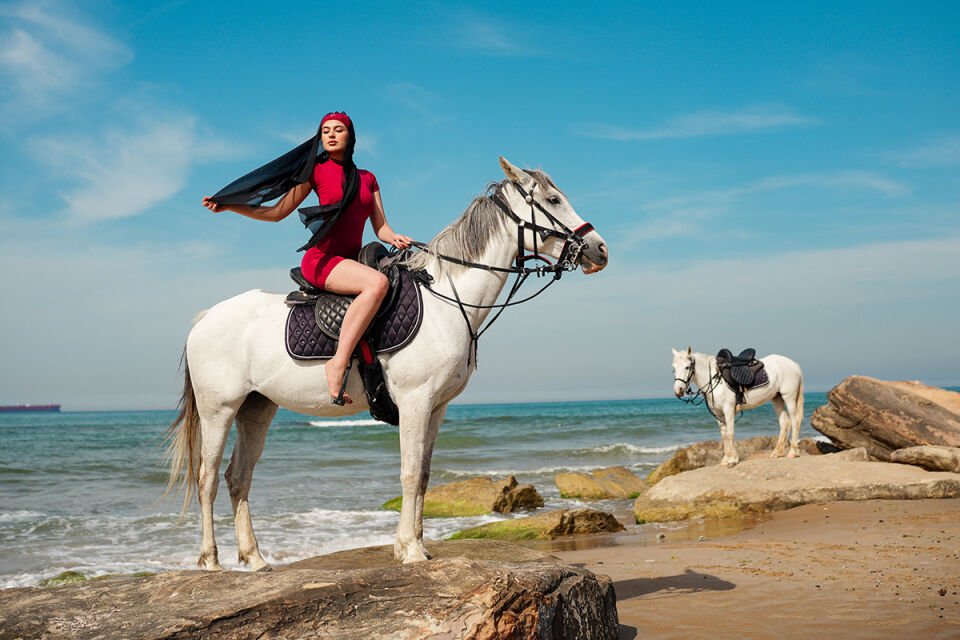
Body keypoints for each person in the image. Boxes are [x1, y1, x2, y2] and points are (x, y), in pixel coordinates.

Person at [202, 112, 412, 405]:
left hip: (352, 262)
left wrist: (396, 237)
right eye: (325, 131)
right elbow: (276, 212)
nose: (331, 135)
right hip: (322, 260)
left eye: (338, 130)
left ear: (350, 136)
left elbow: (381, 228)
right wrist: (230, 207)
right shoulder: (315, 171)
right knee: (376, 284)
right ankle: (337, 363)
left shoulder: (368, 179)